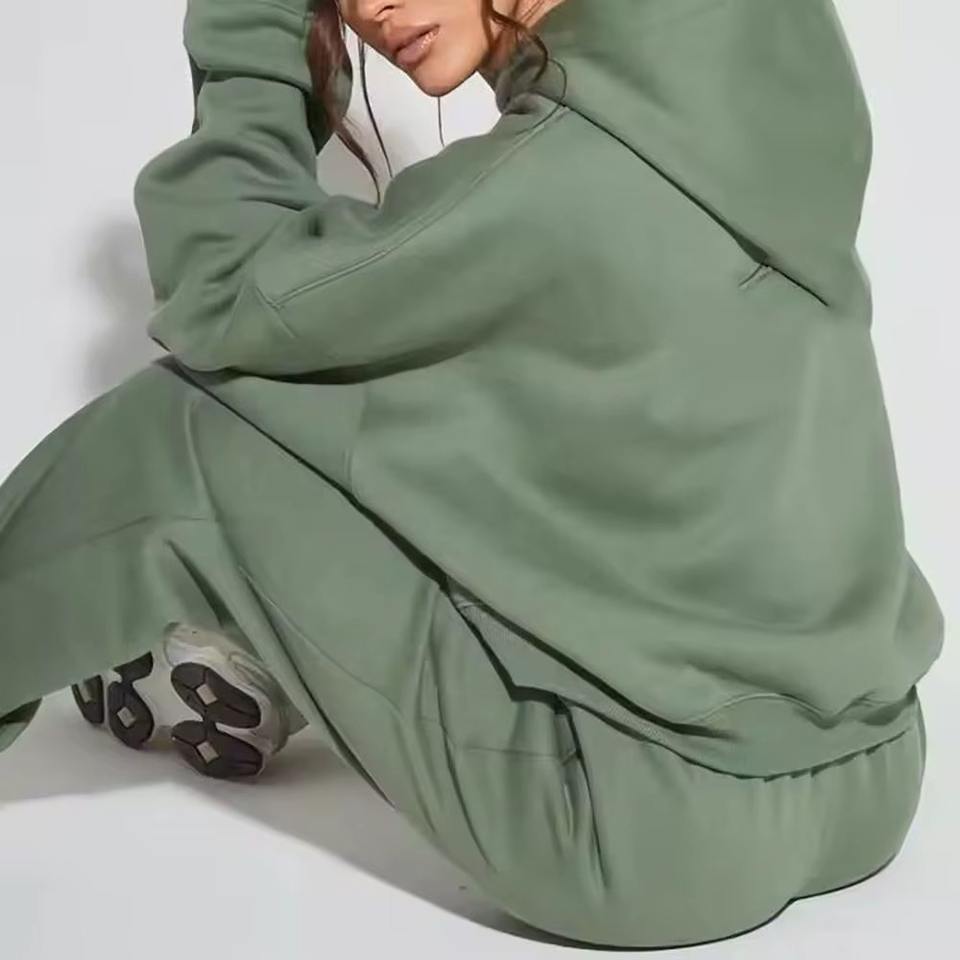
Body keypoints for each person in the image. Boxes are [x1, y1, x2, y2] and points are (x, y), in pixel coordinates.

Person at [0, 0, 945, 949]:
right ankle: (259, 639)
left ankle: (235, 624)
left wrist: (255, 24)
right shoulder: (771, 80)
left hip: (649, 834)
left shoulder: (552, 179)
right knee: (444, 437)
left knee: (190, 430)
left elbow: (224, 287)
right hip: (875, 767)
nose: (370, 9)